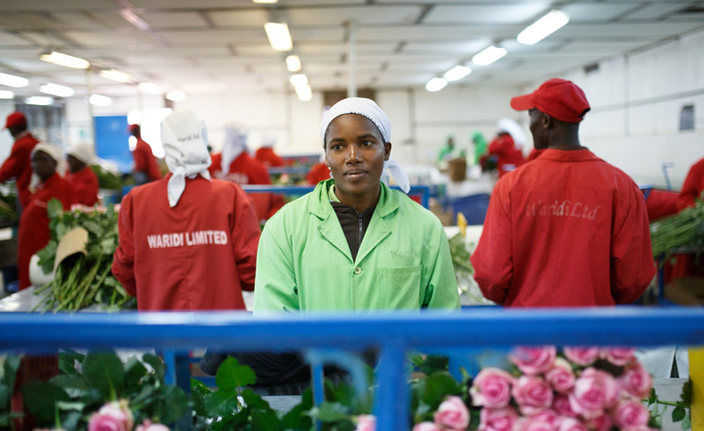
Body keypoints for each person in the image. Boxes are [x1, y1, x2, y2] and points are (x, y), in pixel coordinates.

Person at [247, 97, 460, 392]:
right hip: (315, 396)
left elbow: (444, 323)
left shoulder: (423, 227)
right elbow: (273, 327)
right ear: (326, 156)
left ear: (386, 150)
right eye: (338, 146)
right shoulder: (285, 227)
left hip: (398, 392)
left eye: (366, 143)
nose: (352, 156)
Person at [471, 78, 655, 307]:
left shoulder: (511, 186)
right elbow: (634, 278)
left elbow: (492, 276)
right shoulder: (622, 186)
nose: (530, 125)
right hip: (594, 331)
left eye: (531, 115)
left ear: (546, 121)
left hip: (528, 331)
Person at [112, 110, 261, 311]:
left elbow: (125, 268)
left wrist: (154, 289)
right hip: (223, 326)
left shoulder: (135, 201)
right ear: (203, 141)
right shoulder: (231, 196)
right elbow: (251, 268)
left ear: (166, 148)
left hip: (162, 326)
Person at [17, 143, 74, 290]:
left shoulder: (61, 188)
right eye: (34, 160)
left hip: (45, 259)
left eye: (43, 160)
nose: (37, 165)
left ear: (55, 162)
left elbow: (66, 224)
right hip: (30, 254)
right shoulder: (39, 187)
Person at [208, 122, 284, 222]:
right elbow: (272, 199)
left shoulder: (211, 163)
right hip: (246, 222)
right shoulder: (255, 166)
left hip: (217, 221)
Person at [0, 112, 39, 208]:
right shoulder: (35, 141)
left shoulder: (21, 145)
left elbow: (8, 169)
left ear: (15, 128)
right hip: (36, 191)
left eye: (9, 129)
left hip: (26, 191)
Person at [65, 142, 99, 207]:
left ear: (81, 161)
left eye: (72, 159)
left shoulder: (88, 178)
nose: (68, 161)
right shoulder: (68, 173)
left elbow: (84, 203)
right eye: (68, 158)